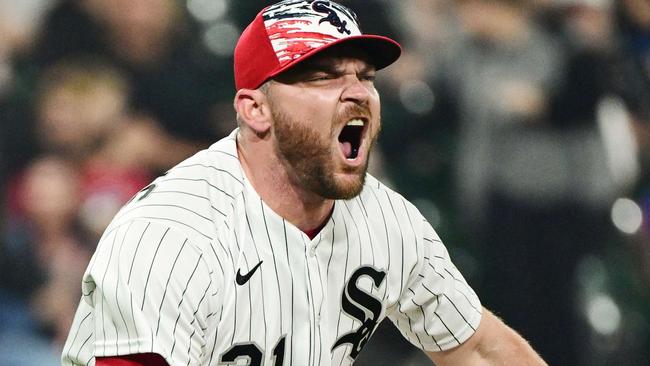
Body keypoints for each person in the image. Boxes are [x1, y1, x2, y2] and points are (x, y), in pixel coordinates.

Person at [61, 1, 547, 365]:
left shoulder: (388, 221)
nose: (358, 93)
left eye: (365, 76)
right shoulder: (171, 237)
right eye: (323, 78)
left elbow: (480, 350)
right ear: (256, 109)